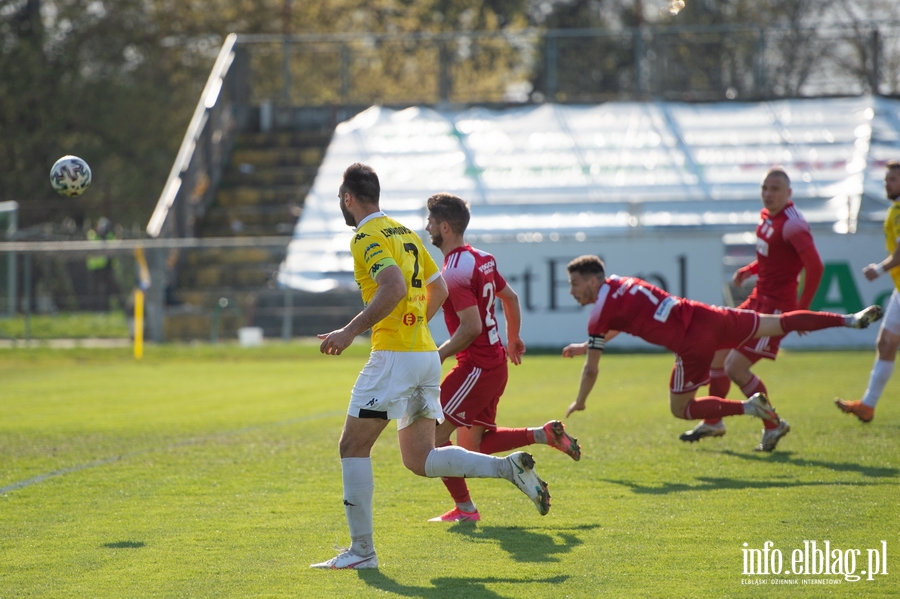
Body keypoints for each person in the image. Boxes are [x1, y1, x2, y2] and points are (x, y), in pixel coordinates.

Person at [311, 164, 550, 571]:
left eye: (340, 197)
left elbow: (394, 287)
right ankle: (505, 467)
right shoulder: (404, 232)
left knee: (352, 446)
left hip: (394, 358)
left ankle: (362, 553)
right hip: (423, 355)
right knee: (420, 459)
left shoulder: (365, 236)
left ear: (348, 198)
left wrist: (350, 331)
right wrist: (415, 324)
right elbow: (436, 288)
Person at [560, 255, 882, 449]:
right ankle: (849, 319)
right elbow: (628, 319)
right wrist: (586, 343)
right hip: (708, 316)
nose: (572, 291)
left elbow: (591, 369)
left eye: (574, 284)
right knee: (778, 322)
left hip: (690, 344)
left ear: (592, 280)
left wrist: (581, 400)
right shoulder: (623, 282)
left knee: (681, 409)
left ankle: (749, 410)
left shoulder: (598, 315)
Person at [424, 193, 580, 523]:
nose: (427, 228)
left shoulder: (454, 270)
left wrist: (437, 356)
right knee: (474, 448)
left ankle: (466, 510)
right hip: (493, 364)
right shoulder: (482, 258)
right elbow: (510, 297)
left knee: (434, 440)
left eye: (431, 222)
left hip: (476, 367)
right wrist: (513, 337)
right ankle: (543, 435)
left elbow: (470, 327)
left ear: (446, 227)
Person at [680, 167, 824, 451]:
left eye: (775, 189)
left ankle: (773, 425)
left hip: (776, 311)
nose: (768, 194)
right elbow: (776, 257)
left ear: (789, 193)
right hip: (757, 301)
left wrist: (801, 314)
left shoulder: (794, 224)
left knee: (735, 367)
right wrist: (750, 270)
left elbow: (815, 267)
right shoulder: (768, 217)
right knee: (718, 353)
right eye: (764, 188)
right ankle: (713, 421)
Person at [835, 160, 900, 422]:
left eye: (893, 179)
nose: (887, 183)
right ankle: (868, 405)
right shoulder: (895, 209)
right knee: (885, 343)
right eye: (886, 179)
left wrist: (880, 269)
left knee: (886, 342)